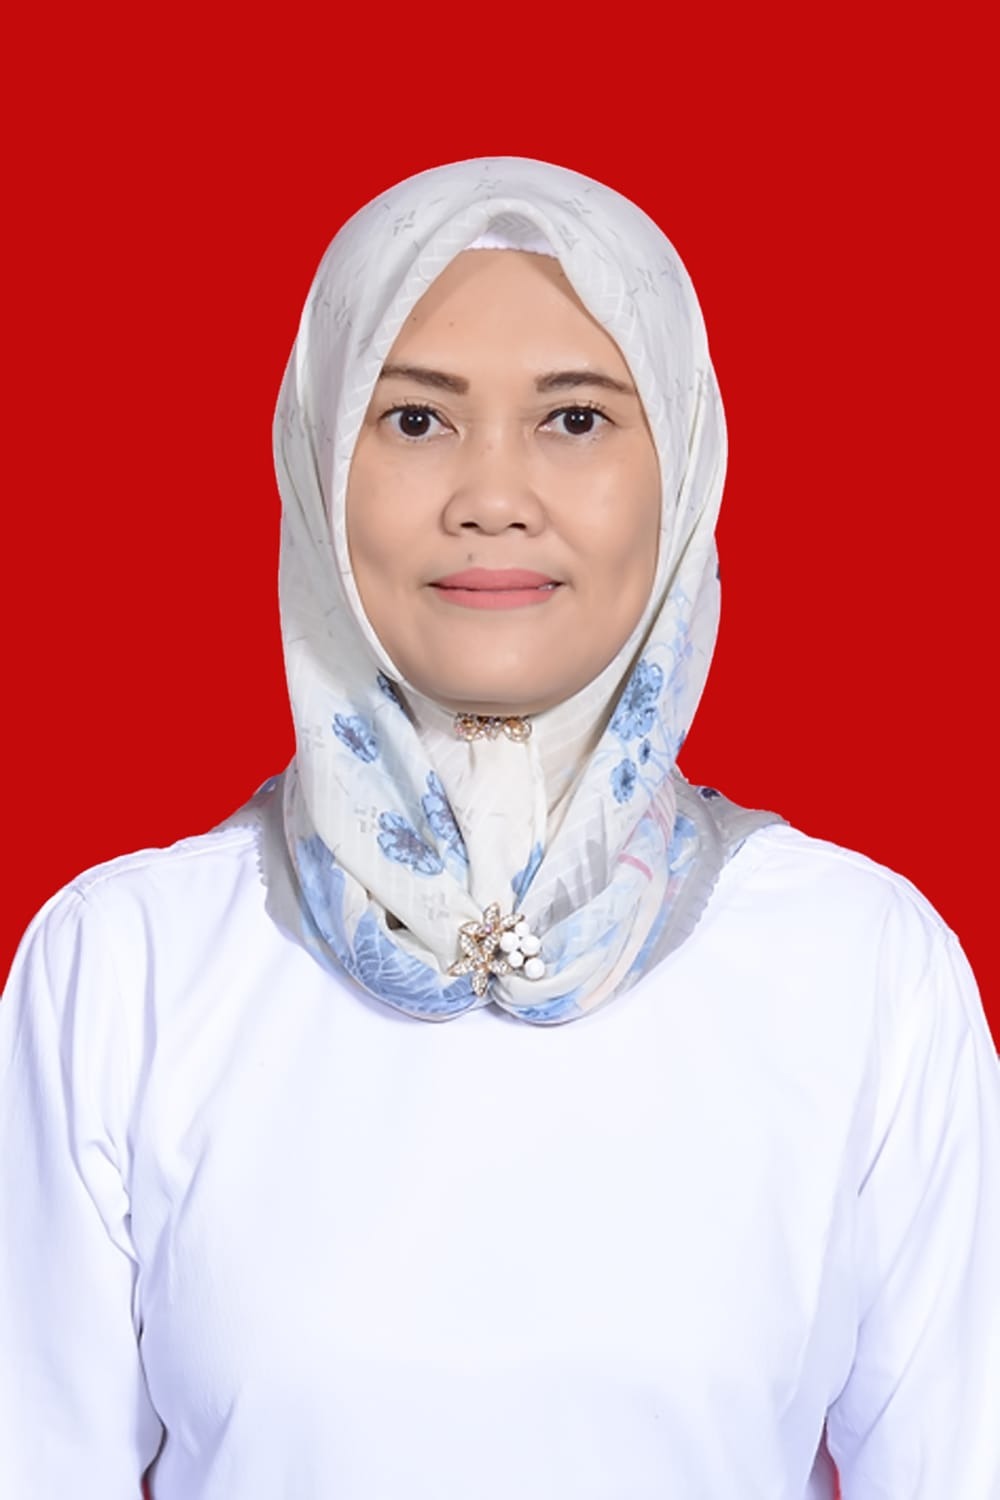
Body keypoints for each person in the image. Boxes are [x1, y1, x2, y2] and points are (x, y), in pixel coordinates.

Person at [1, 157, 998, 1500]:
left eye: (576, 419)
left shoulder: (864, 970)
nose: (492, 495)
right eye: (415, 419)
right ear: (316, 461)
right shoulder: (123, 970)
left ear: (683, 465)